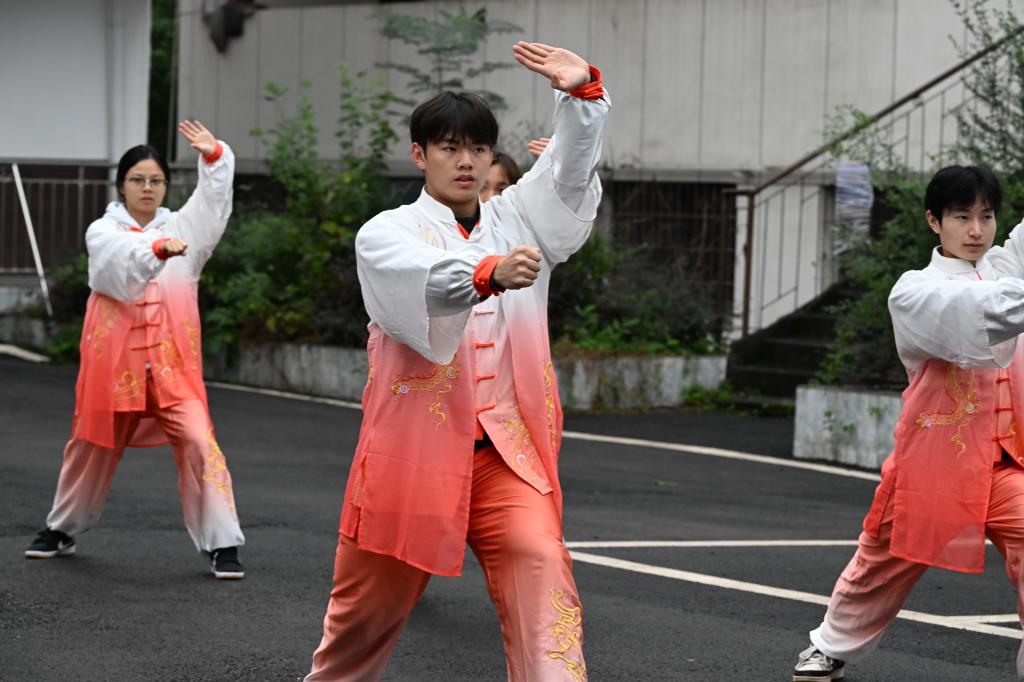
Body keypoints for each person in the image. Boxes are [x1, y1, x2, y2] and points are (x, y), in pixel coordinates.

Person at [304, 41, 609, 681]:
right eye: (449, 148)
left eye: (478, 148)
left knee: (543, 571)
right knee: (361, 621)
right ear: (420, 155)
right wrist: (487, 273)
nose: (465, 161)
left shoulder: (518, 217)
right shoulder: (386, 231)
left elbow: (569, 179)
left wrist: (581, 98)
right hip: (412, 457)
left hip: (505, 454)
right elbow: (416, 281)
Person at [792, 165, 1024, 680]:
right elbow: (978, 311)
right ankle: (830, 645)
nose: (976, 230)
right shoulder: (915, 290)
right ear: (933, 221)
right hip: (936, 461)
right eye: (961, 217)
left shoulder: (1006, 272)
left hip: (1007, 464)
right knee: (884, 559)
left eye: (986, 217)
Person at [24, 121, 246, 580]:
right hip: (114, 367)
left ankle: (222, 543)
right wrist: (159, 249)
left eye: (156, 180)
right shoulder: (102, 231)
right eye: (138, 179)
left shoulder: (185, 228)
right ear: (121, 185)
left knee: (200, 442)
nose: (148, 188)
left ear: (165, 186)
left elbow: (213, 204)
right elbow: (114, 269)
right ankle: (61, 527)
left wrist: (214, 159)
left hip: (172, 368)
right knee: (90, 446)